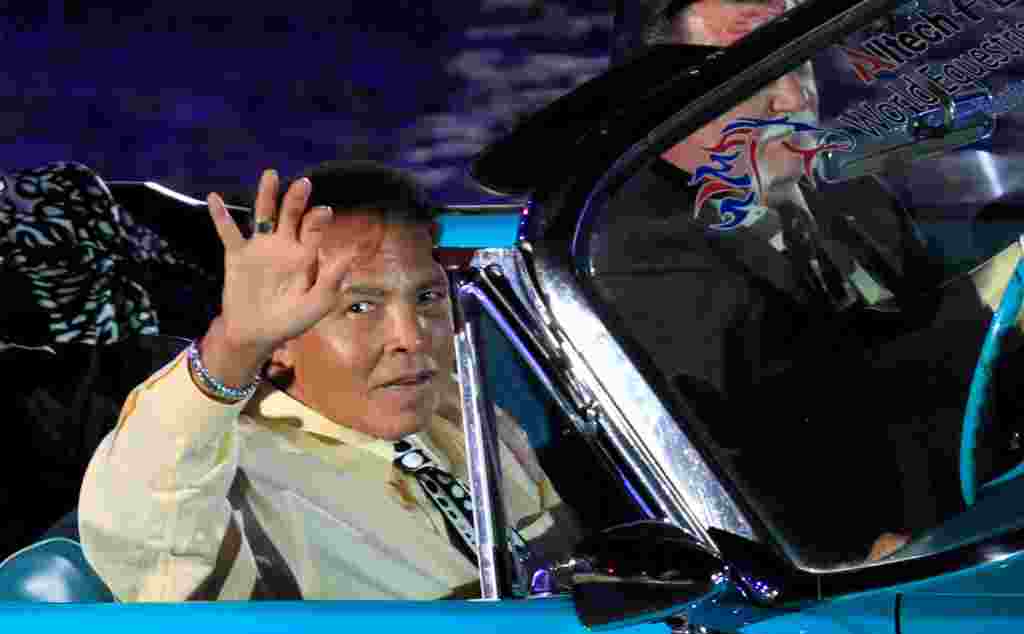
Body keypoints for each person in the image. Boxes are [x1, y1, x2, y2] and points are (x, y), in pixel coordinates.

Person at [78, 161, 577, 602]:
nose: (411, 338)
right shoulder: (234, 481)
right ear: (280, 337)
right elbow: (149, 517)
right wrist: (235, 344)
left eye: (427, 298)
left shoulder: (469, 418)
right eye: (359, 307)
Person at [593, 0, 978, 564]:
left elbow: (946, 346)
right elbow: (717, 461)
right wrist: (848, 553)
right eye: (752, 74)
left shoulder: (851, 195)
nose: (796, 100)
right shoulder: (634, 249)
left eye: (798, 63)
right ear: (662, 94)